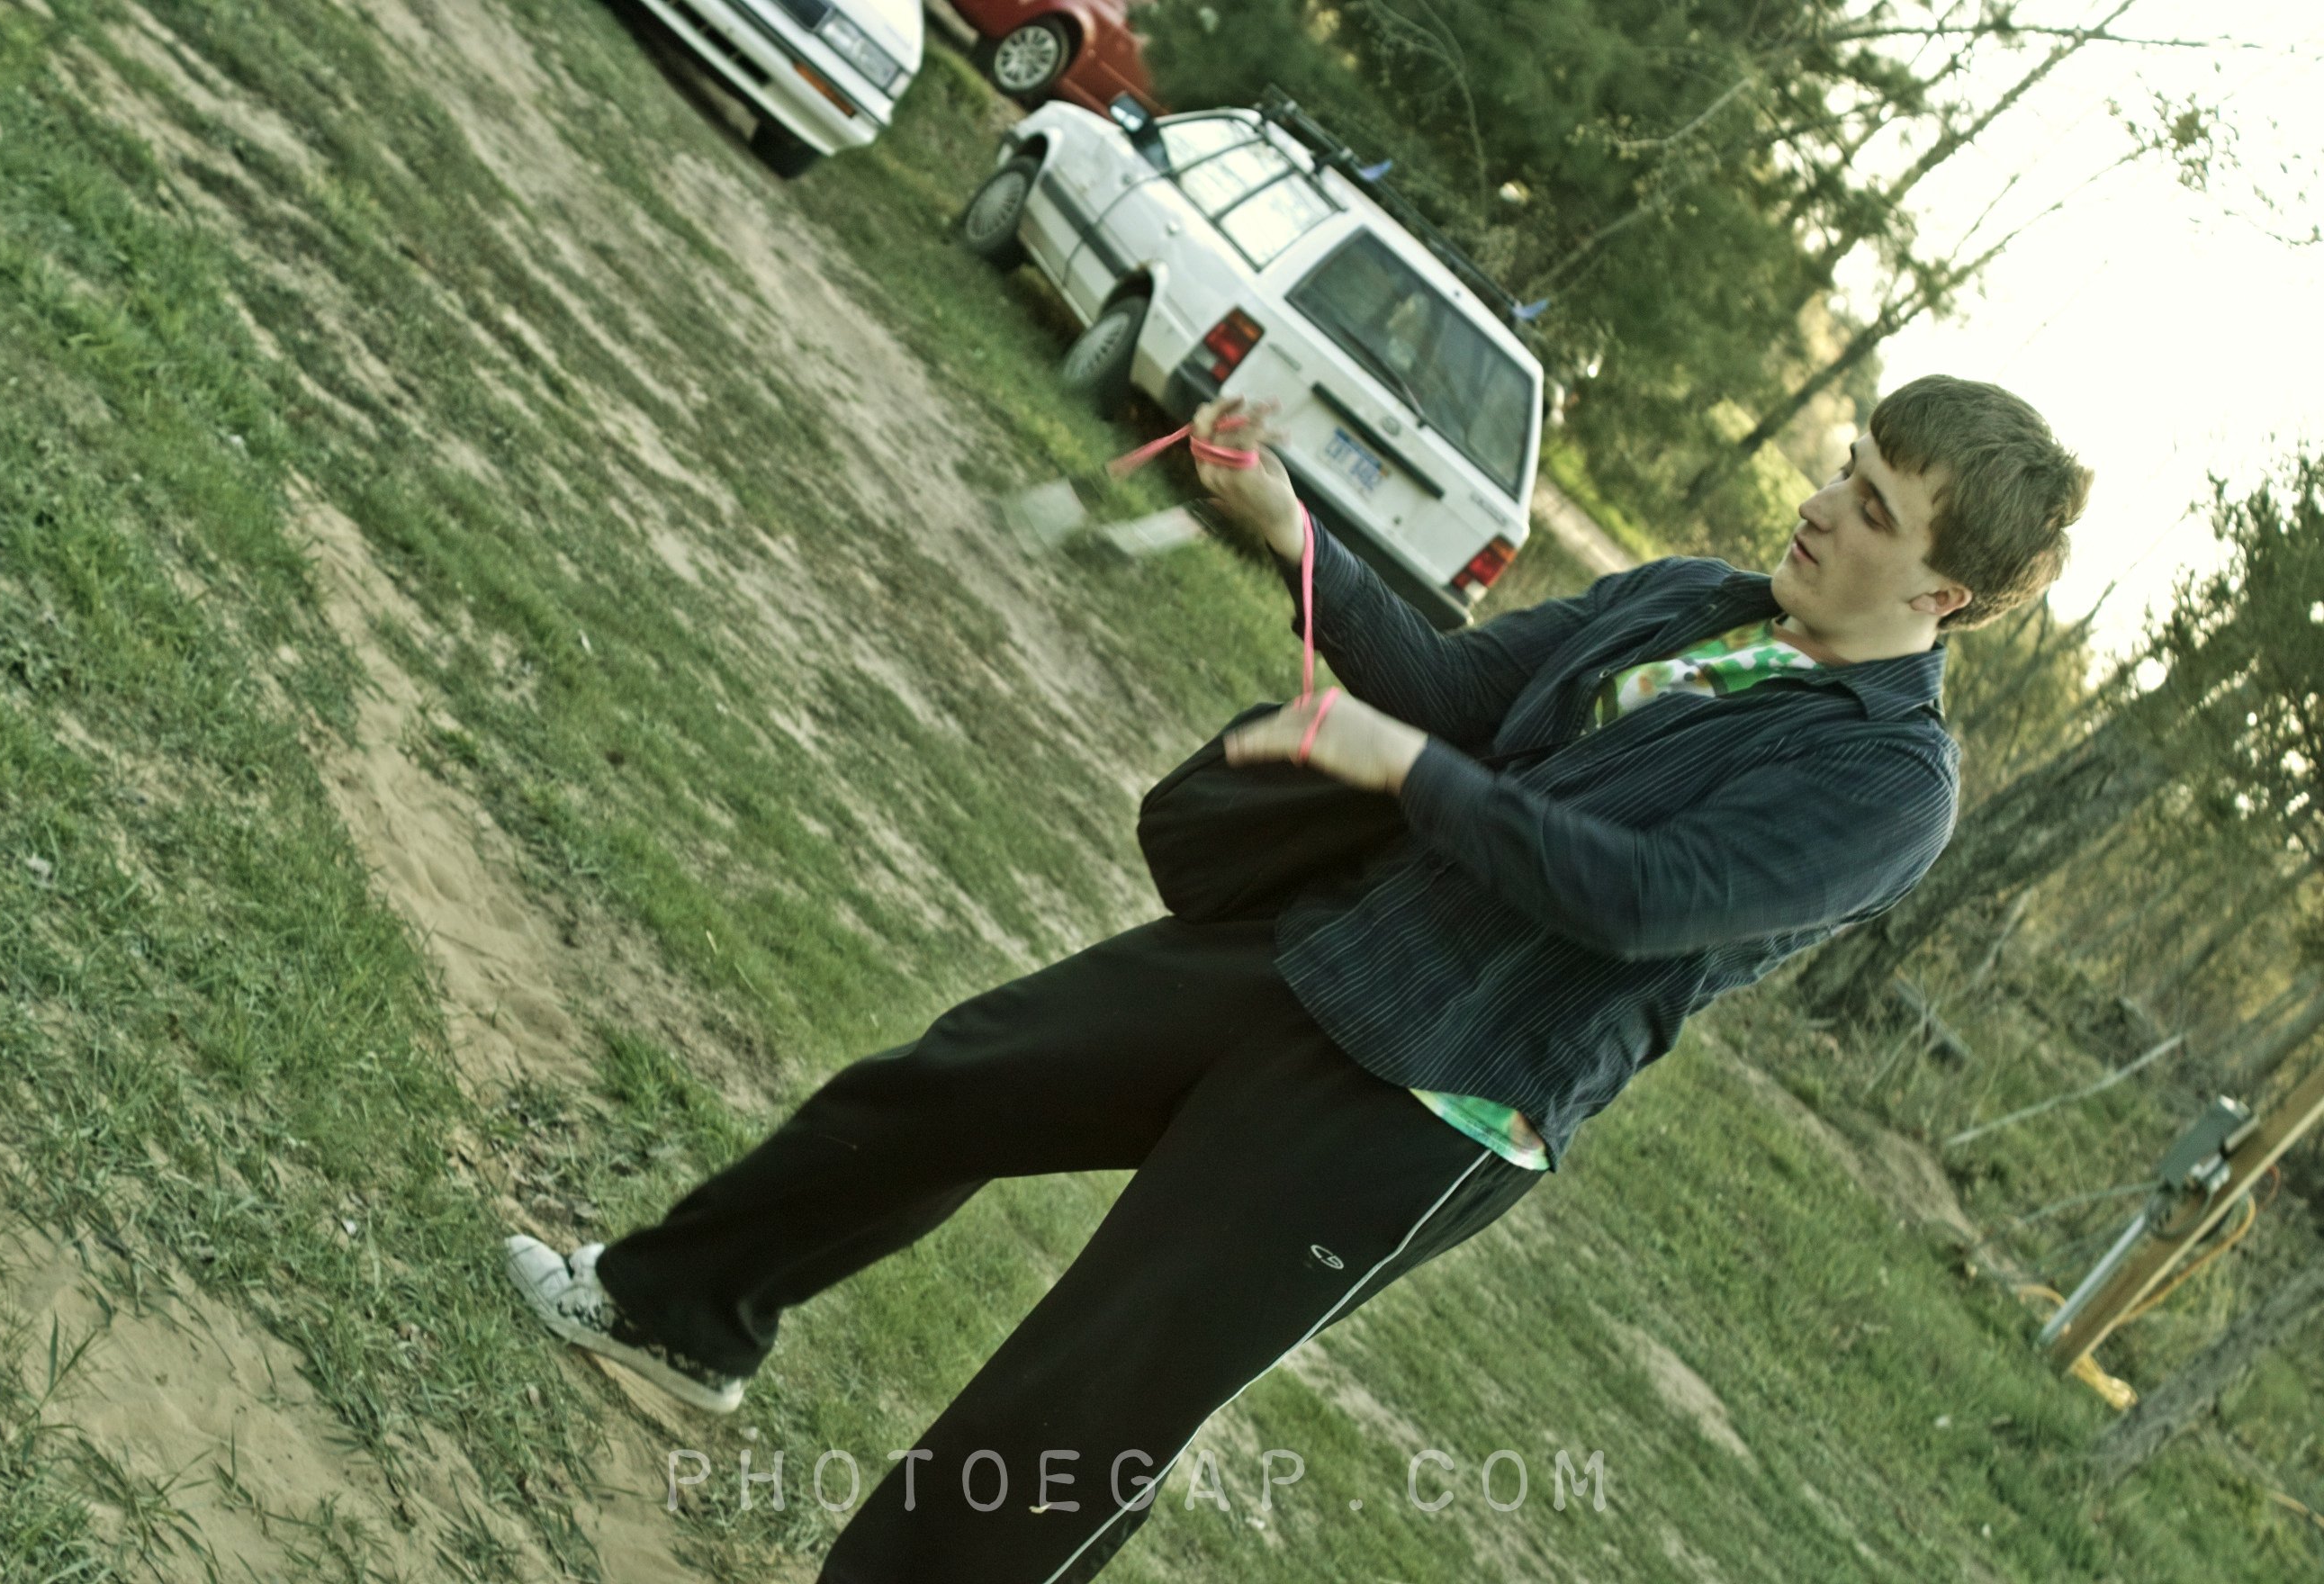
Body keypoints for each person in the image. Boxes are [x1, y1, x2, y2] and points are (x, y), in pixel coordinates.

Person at [502, 374, 2092, 1581]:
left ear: (1945, 595)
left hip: (1430, 1099)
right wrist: (1289, 526)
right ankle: (682, 1313)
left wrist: (1407, 770)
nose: (1822, 505)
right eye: (1845, 469)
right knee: (958, 1082)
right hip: (1327, 946)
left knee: (1085, 1399)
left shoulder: (1890, 782)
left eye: (1875, 509)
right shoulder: (1694, 599)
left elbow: (1636, 897)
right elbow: (1459, 689)